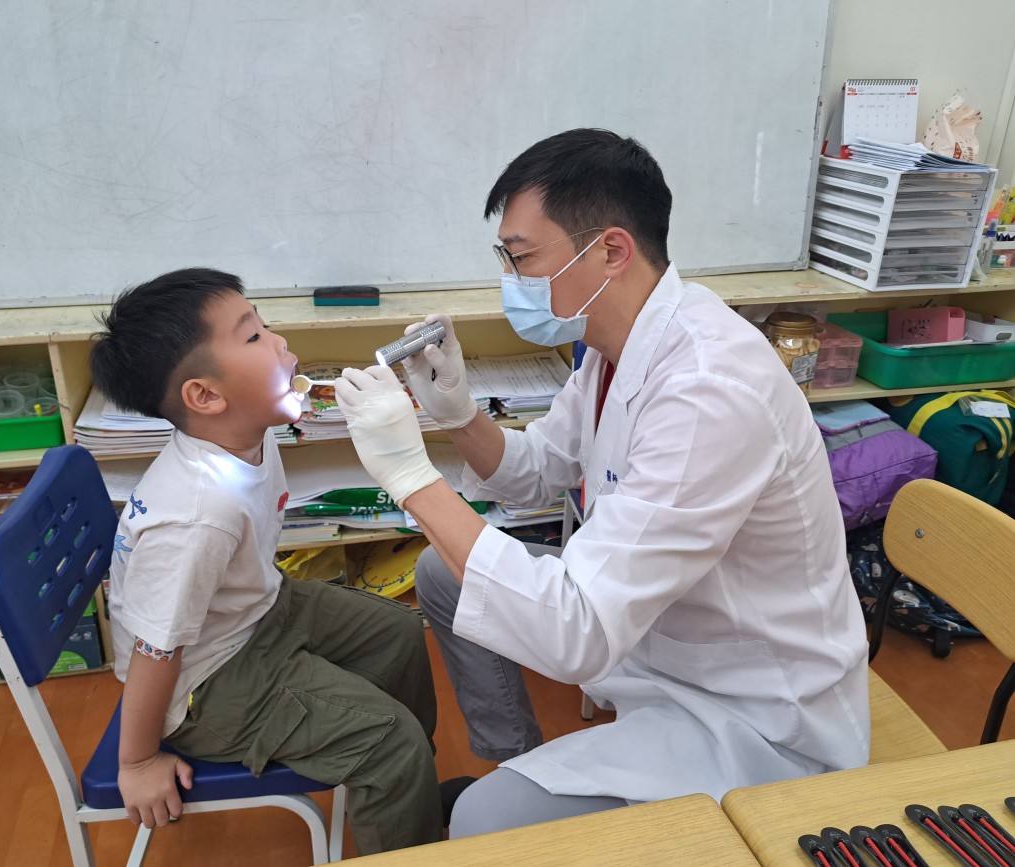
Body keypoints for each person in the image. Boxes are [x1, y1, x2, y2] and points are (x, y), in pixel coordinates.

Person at [334, 129, 870, 838]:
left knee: (482, 822)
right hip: (659, 638)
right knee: (442, 572)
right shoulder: (614, 346)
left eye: (522, 257)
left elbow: (578, 632)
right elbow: (535, 471)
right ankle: (521, 760)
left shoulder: (708, 387)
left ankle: (533, 808)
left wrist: (409, 477)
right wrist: (458, 414)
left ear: (611, 251)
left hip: (755, 713)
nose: (511, 278)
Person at [89, 268, 442, 855]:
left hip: (255, 613)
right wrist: (139, 760)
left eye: (265, 326)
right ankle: (397, 775)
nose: (279, 342)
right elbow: (156, 650)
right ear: (206, 396)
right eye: (253, 337)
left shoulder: (246, 432)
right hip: (204, 682)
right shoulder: (196, 518)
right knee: (391, 742)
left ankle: (406, 795)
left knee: (399, 634)